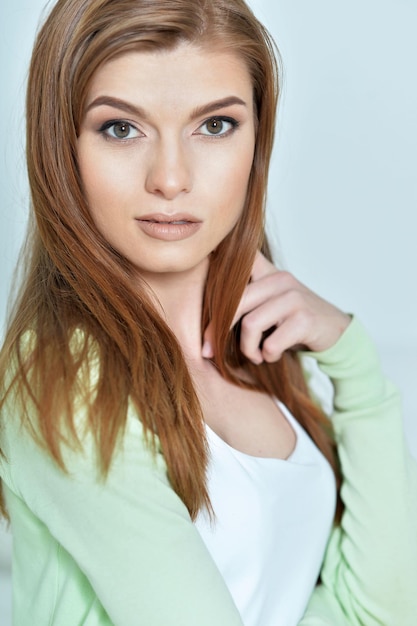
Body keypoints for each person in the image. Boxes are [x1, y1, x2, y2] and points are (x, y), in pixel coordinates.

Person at [0, 0, 416, 624]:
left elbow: (383, 607)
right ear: (62, 148)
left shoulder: (261, 347)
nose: (171, 178)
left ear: (258, 140)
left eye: (215, 125)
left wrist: (350, 361)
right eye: (121, 128)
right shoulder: (61, 378)